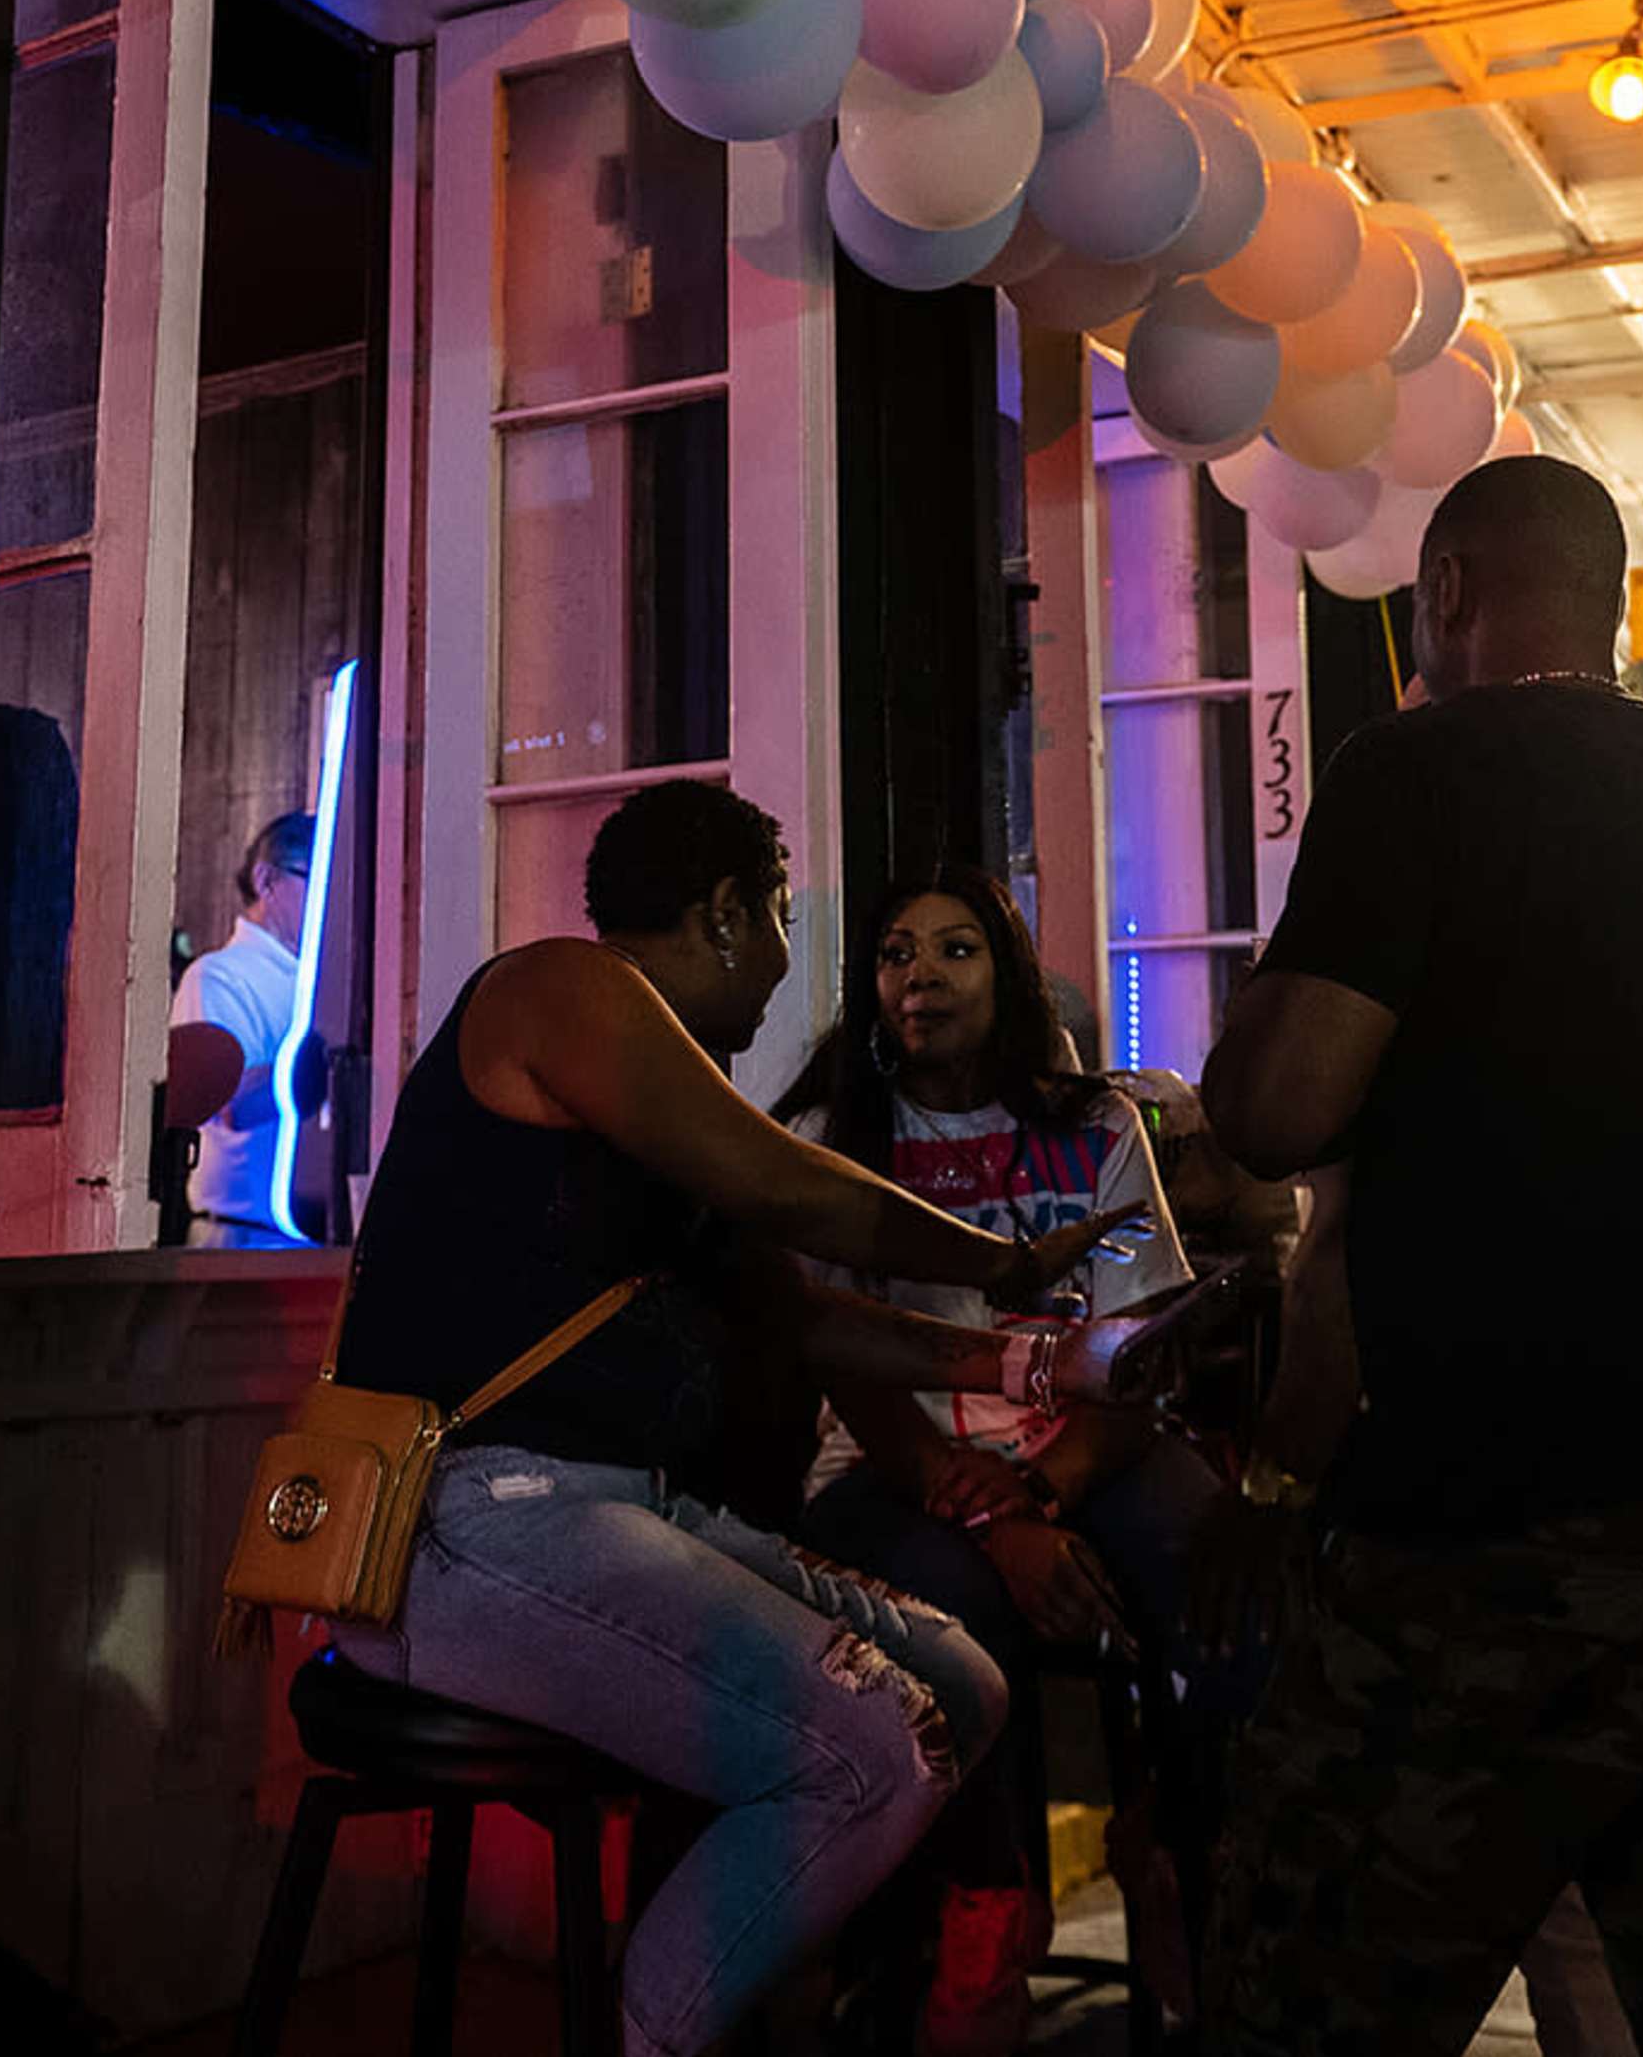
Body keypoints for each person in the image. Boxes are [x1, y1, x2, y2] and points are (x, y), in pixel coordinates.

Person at [1188, 455, 1643, 2057]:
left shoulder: (1417, 775)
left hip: (1497, 1522)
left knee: (1310, 1984)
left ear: (1448, 595)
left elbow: (1281, 1111)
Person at [321, 782, 1146, 2057]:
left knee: (961, 1685)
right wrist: (1003, 1264)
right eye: (773, 914)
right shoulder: (562, 990)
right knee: (865, 1755)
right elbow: (785, 1187)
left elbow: (805, 1317)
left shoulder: (665, 1102)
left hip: (609, 1515)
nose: (782, 960)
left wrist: (1044, 1364)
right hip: (472, 1525)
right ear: (721, 914)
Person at [773, 867, 1224, 2054]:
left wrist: (1043, 1492)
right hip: (900, 1466)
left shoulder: (1097, 1128)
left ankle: (1178, 1851)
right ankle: (985, 1918)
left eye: (955, 950)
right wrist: (989, 1518)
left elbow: (1143, 1352)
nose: (919, 975)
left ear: (1009, 974)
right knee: (949, 1624)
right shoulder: (835, 1139)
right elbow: (848, 1367)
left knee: (1226, 1571)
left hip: (1080, 1452)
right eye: (896, 954)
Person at [171, 812, 315, 1242]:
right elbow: (235, 1103)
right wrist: (321, 1064)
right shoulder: (218, 976)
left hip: (304, 1234)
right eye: (318, 882)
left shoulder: (313, 979)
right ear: (266, 880)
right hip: (241, 1233)